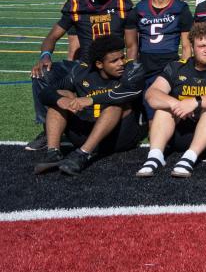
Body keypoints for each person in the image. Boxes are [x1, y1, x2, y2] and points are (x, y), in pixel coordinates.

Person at [29, 0, 136, 151]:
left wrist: (130, 67)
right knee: (41, 75)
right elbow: (51, 37)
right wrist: (45, 56)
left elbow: (132, 44)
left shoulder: (122, 5)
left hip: (111, 67)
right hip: (83, 67)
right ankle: (47, 129)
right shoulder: (77, 6)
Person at [136, 22, 206, 178]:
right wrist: (176, 104)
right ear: (192, 47)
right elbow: (152, 94)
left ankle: (189, 158)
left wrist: (195, 102)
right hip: (183, 131)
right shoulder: (176, 67)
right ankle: (155, 156)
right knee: (163, 108)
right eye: (202, 46)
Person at [33, 35, 145, 176]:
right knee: (62, 95)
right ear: (99, 64)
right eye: (114, 61)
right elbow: (45, 93)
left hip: (119, 137)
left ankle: (82, 154)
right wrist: (61, 101)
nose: (121, 63)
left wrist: (91, 99)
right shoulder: (81, 72)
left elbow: (130, 92)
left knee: (115, 105)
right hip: (85, 130)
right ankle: (53, 153)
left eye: (122, 57)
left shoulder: (132, 70)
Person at [125, 0, 193, 100]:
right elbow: (132, 46)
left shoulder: (181, 9)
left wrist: (184, 70)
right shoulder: (139, 9)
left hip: (169, 63)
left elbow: (187, 46)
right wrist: (131, 69)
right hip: (145, 64)